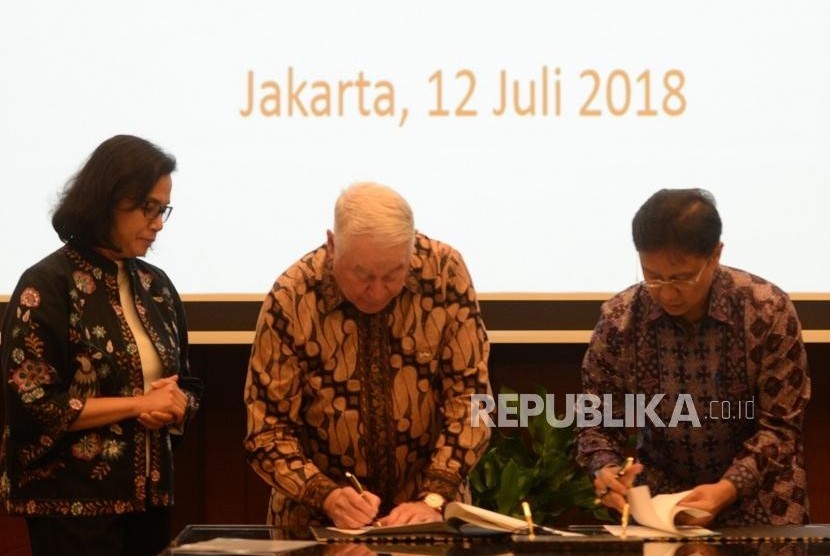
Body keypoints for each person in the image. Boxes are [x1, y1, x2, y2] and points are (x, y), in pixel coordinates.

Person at [244, 182, 492, 529]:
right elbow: (267, 432)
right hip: (317, 523)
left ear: (411, 249)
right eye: (361, 274)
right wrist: (325, 494)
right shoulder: (293, 296)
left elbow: (471, 402)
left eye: (394, 274)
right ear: (332, 245)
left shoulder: (445, 271)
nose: (377, 291)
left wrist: (434, 498)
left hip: (430, 516)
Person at [0, 134, 202, 556]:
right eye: (148, 207)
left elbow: (186, 383)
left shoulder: (157, 287)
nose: (158, 222)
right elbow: (33, 405)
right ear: (106, 199)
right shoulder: (46, 286)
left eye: (163, 209)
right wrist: (137, 404)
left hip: (149, 504)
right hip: (70, 511)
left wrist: (179, 404)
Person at [577, 188, 810, 527]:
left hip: (761, 497)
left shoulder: (767, 309)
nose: (666, 293)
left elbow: (780, 426)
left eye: (681, 277)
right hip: (663, 501)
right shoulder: (620, 319)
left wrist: (728, 487)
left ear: (715, 254)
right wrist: (606, 470)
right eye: (652, 276)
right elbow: (595, 421)